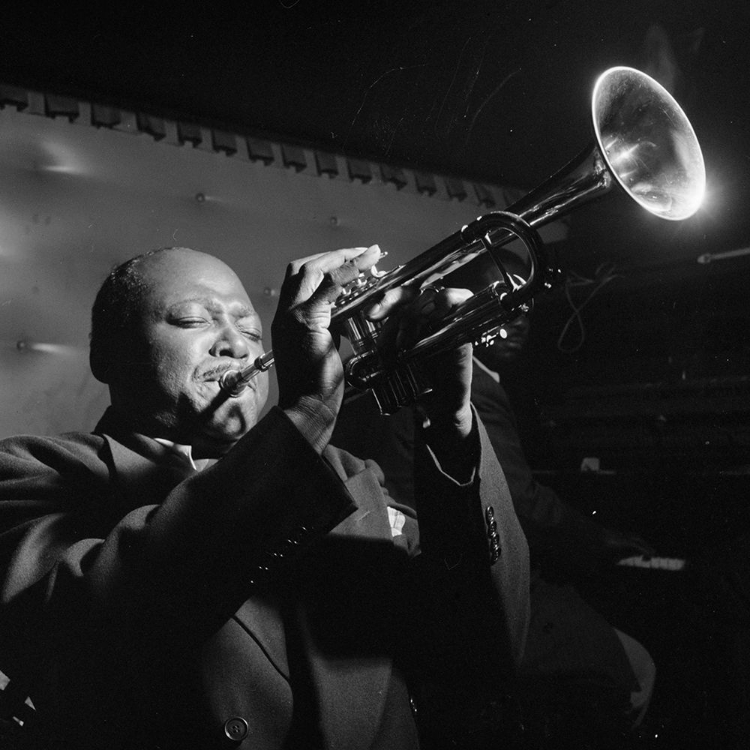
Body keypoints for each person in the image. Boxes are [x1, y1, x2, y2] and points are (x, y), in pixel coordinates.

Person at [0, 245, 530, 750]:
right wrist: (304, 414)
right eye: (193, 320)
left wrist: (449, 423)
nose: (239, 345)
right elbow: (99, 625)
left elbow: (481, 644)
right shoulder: (35, 471)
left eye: (252, 329)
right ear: (106, 356)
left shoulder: (347, 476)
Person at [333, 260, 658, 742]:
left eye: (522, 307)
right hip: (447, 596)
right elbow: (521, 502)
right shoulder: (468, 384)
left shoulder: (371, 379)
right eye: (499, 304)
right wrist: (601, 540)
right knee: (636, 668)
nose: (517, 320)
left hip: (398, 582)